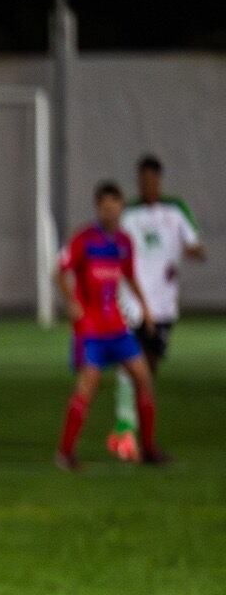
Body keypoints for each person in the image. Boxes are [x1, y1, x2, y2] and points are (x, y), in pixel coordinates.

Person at [56, 183, 163, 471]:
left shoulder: (124, 242)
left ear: (121, 207)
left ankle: (150, 449)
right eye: (104, 207)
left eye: (114, 206)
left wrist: (146, 309)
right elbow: (60, 271)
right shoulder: (84, 239)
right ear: (98, 209)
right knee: (87, 388)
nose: (110, 211)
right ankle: (65, 453)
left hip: (116, 327)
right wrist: (71, 302)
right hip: (90, 330)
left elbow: (129, 277)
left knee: (144, 379)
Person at [108, 155, 204, 461]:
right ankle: (126, 430)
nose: (148, 186)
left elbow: (196, 247)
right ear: (138, 182)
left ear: (159, 181)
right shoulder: (129, 214)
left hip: (162, 305)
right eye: (143, 181)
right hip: (132, 303)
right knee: (132, 365)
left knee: (148, 368)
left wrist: (188, 250)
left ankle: (134, 431)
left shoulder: (175, 210)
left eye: (152, 181)